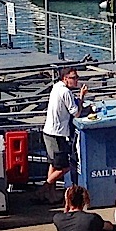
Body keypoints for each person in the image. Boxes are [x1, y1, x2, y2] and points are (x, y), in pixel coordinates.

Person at [42, 67, 87, 201]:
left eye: (77, 77)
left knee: (54, 164)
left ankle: (50, 195)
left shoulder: (56, 87)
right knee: (65, 166)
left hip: (49, 131)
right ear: (65, 78)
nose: (76, 80)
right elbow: (76, 113)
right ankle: (43, 189)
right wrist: (82, 96)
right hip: (57, 134)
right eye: (73, 77)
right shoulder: (66, 92)